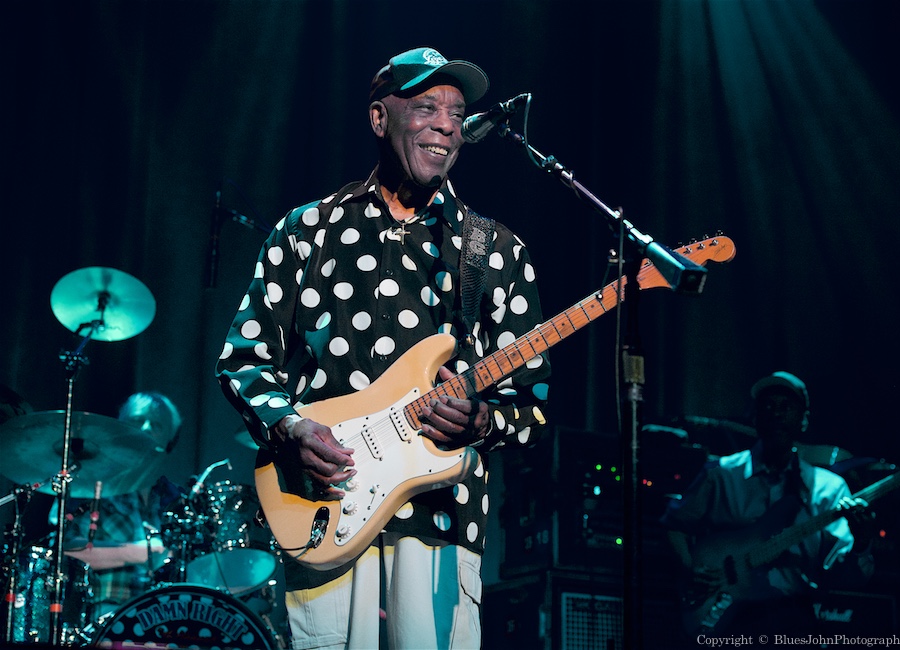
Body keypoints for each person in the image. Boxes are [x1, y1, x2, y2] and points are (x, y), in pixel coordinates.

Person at [215, 46, 550, 649]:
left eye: (455, 110)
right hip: (323, 508)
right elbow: (243, 359)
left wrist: (483, 419)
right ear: (380, 119)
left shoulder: (493, 249)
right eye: (425, 107)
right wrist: (290, 427)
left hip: (442, 521)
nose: (446, 123)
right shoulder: (308, 229)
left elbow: (532, 403)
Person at [660, 371, 875, 641]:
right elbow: (673, 526)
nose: (777, 414)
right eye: (768, 406)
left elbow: (845, 575)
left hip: (794, 620)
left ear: (804, 420)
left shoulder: (827, 489)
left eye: (787, 407)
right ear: (754, 416)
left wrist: (862, 543)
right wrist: (692, 568)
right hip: (729, 619)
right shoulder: (722, 474)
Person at [56, 391, 184, 619]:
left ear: (170, 441)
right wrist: (138, 553)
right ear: (120, 428)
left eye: (156, 425)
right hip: (105, 621)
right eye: (136, 421)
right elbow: (65, 549)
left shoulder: (177, 499)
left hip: (169, 621)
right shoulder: (92, 486)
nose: (145, 429)